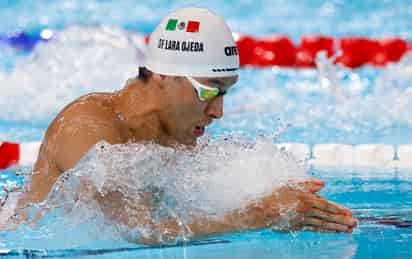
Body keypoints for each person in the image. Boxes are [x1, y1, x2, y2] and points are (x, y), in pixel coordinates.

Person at [1, 7, 356, 243]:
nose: (218, 111)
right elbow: (134, 229)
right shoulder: (85, 128)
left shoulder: (173, 133)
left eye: (225, 93)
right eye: (209, 91)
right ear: (162, 77)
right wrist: (257, 213)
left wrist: (273, 191)